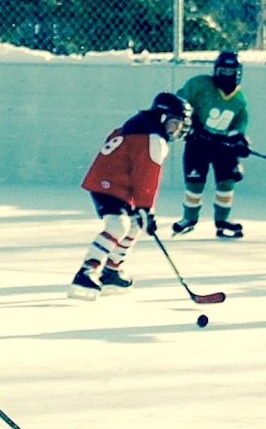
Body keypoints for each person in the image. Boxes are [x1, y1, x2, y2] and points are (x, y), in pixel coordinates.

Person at [72, 91, 191, 298]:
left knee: (134, 225)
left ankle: (111, 271)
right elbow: (147, 175)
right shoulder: (152, 139)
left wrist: (142, 210)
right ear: (162, 118)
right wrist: (146, 208)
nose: (178, 128)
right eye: (175, 122)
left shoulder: (137, 126)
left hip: (117, 185)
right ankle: (86, 271)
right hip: (109, 185)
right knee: (118, 226)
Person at [173, 49, 250, 239]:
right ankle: (189, 218)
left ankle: (222, 220)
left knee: (226, 182)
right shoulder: (199, 84)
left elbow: (240, 123)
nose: (226, 75)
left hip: (222, 147)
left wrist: (239, 141)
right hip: (198, 144)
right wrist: (190, 126)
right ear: (216, 70)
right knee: (194, 183)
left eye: (231, 71)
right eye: (223, 70)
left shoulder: (239, 100)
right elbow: (179, 102)